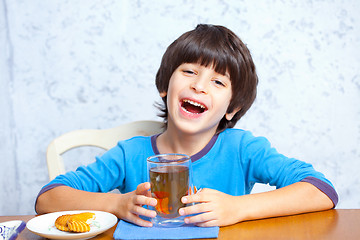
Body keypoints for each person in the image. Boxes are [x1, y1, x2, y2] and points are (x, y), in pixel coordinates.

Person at [35, 24, 338, 227]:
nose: (199, 86)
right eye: (189, 71)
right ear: (165, 86)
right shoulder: (130, 153)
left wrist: (238, 208)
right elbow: (49, 197)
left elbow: (321, 190)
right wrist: (118, 204)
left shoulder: (242, 149)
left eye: (218, 81)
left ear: (232, 108)